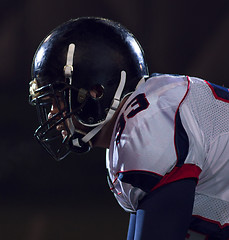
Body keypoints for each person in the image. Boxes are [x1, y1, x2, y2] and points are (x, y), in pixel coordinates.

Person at [28, 16, 229, 239]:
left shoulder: (144, 129)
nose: (52, 113)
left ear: (96, 92)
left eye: (59, 100)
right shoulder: (144, 116)